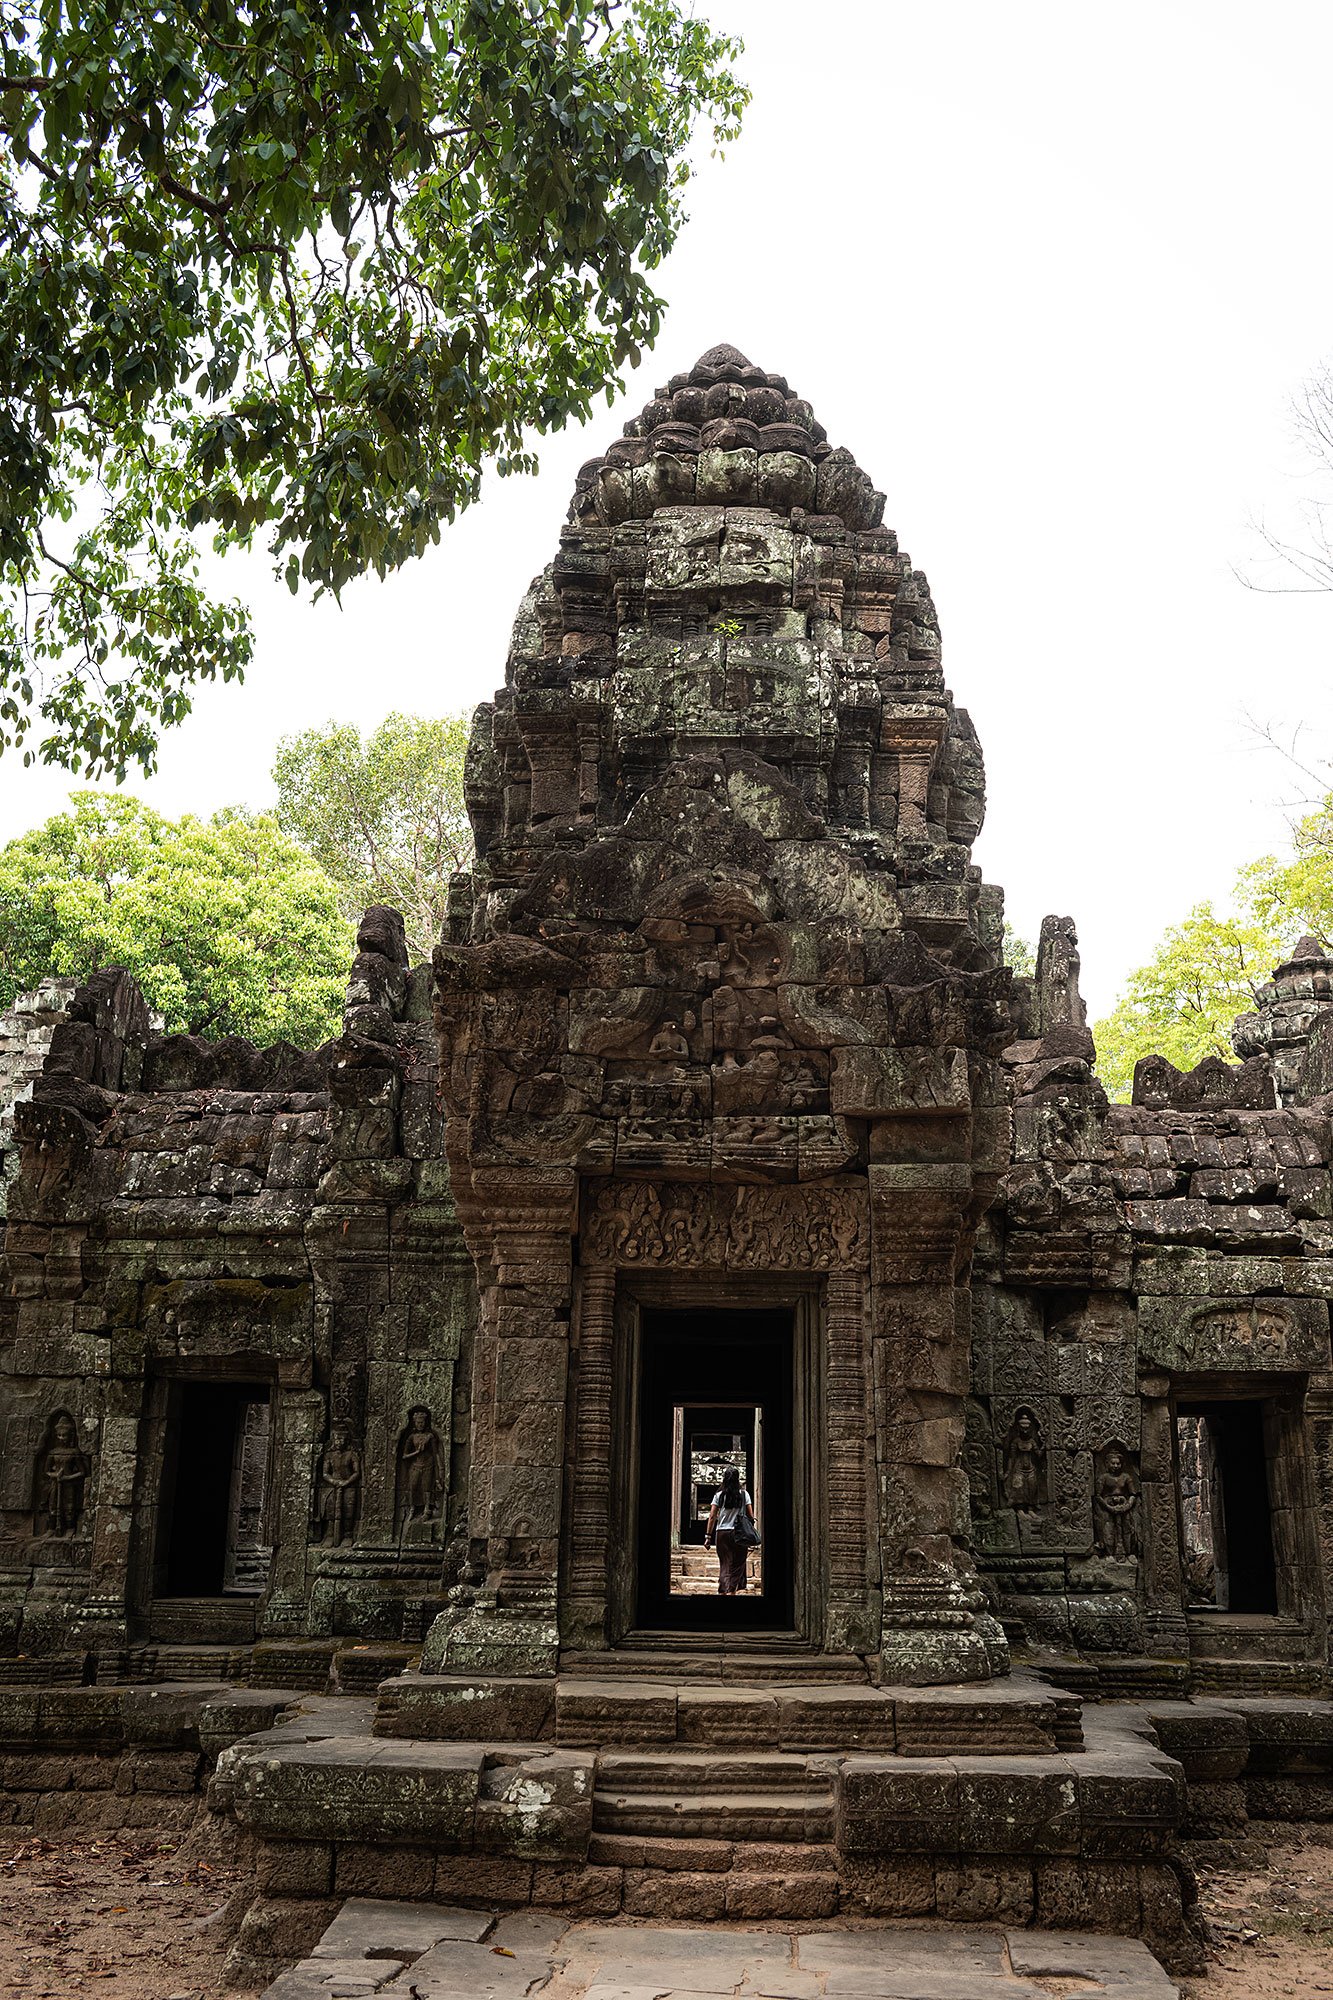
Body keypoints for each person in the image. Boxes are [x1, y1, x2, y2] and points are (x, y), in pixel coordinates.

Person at [704, 1465, 755, 1596]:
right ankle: (732, 1591)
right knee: (738, 1564)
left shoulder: (719, 1495)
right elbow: (750, 1515)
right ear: (737, 1479)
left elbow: (712, 1516)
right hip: (739, 1533)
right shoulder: (744, 1494)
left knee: (725, 1563)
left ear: (724, 1479)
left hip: (722, 1533)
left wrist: (708, 1536)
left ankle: (722, 1591)